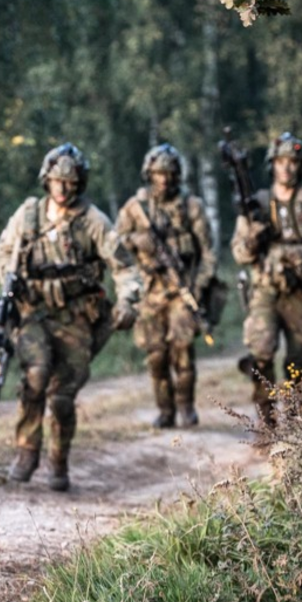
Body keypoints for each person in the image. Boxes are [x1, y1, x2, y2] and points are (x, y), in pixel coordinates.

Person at [0, 144, 141, 491]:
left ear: (80, 183)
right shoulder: (28, 215)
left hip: (76, 316)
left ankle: (58, 460)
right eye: (57, 181)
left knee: (62, 395)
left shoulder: (93, 221)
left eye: (70, 182)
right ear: (47, 181)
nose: (62, 188)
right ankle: (26, 450)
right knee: (36, 374)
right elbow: (3, 251)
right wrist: (10, 282)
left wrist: (127, 302)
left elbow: (123, 266)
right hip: (33, 312)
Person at [230, 133, 302, 435]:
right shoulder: (256, 206)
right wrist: (252, 241)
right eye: (281, 162)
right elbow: (238, 252)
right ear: (272, 165)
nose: (287, 168)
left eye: (293, 162)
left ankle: (294, 422)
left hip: (300, 291)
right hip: (265, 288)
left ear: (300, 167)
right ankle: (266, 421)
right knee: (260, 351)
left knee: (298, 357)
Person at [115, 144, 217, 429]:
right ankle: (165, 409)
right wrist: (136, 241)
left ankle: (186, 406)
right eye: (159, 174)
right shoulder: (135, 209)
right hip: (150, 291)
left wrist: (198, 286)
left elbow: (208, 253)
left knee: (182, 351)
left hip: (182, 291)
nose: (164, 180)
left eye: (170, 174)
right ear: (149, 175)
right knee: (156, 355)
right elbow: (115, 245)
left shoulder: (192, 206)